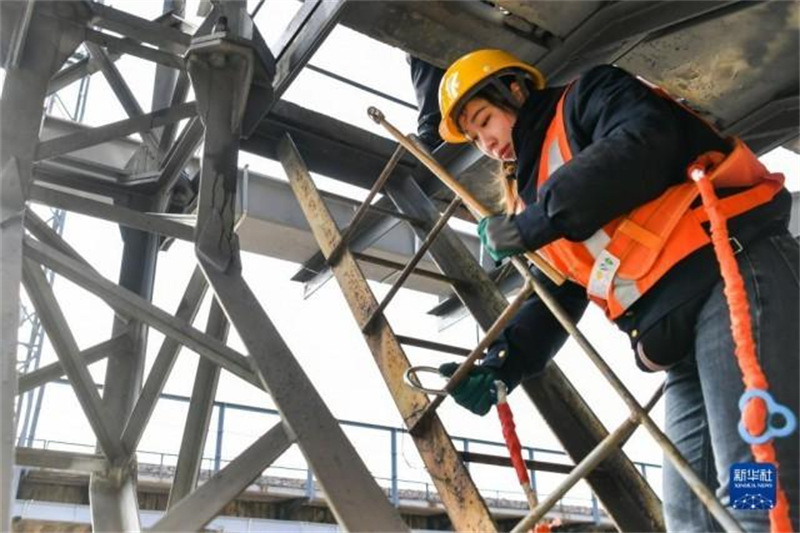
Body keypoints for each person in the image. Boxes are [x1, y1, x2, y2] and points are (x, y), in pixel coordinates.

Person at [430, 49, 799, 532]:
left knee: (755, 486)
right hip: (676, 336)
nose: (486, 143)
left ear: (515, 90)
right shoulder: (534, 191)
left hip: (732, 277)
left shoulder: (589, 96)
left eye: (484, 121)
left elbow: (644, 141)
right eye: (475, 138)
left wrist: (533, 224)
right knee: (690, 516)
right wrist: (505, 363)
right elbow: (561, 287)